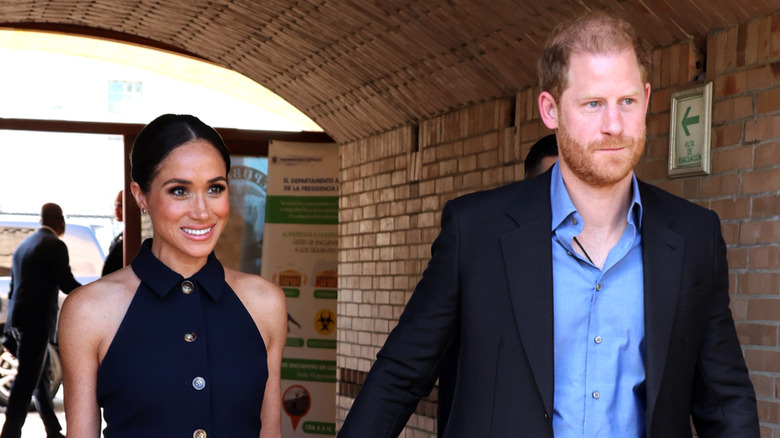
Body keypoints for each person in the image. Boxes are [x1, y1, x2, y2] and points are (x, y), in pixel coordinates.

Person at [339, 12, 759, 438]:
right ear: (551, 110)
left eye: (627, 102)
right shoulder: (476, 231)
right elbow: (400, 376)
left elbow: (725, 402)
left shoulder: (694, 236)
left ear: (647, 100)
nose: (614, 125)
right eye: (593, 103)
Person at [58, 114, 287, 437]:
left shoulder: (265, 303)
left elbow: (270, 432)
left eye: (215, 189)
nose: (202, 211)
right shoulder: (88, 310)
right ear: (140, 196)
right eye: (179, 191)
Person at [1, 203, 79, 438]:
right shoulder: (54, 244)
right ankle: (10, 433)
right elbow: (67, 283)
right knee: (26, 380)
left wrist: (9, 329)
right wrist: (95, 294)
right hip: (36, 323)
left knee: (40, 378)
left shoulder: (24, 245)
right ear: (59, 220)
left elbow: (14, 289)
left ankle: (53, 431)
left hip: (19, 321)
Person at [101, 190, 125, 276]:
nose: (116, 209)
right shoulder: (119, 238)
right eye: (115, 205)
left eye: (121, 205)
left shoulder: (132, 239)